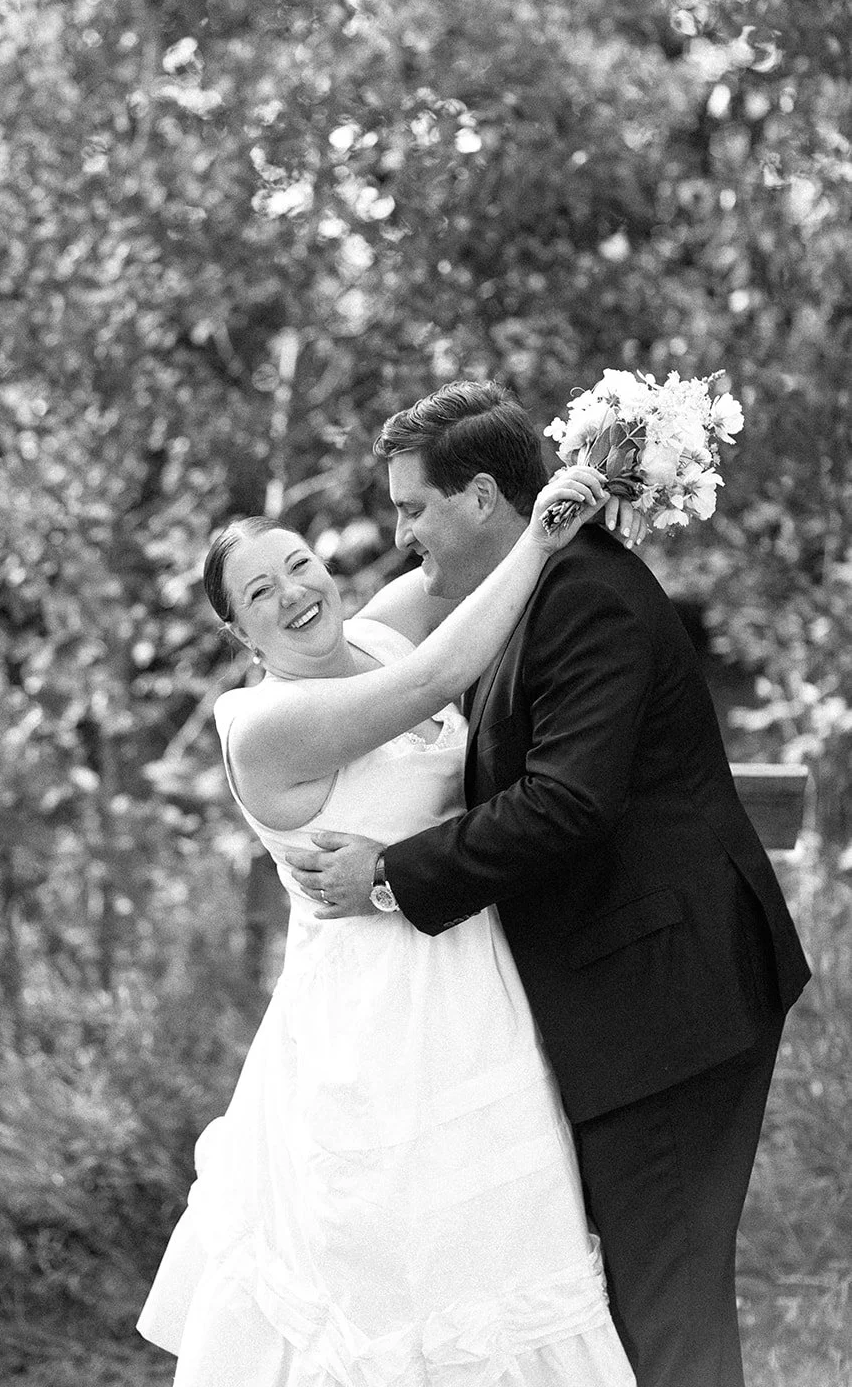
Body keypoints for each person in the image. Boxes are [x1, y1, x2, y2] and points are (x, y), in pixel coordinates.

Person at [287, 380, 811, 1387]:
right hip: (629, 991)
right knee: (631, 1301)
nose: (400, 535)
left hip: (671, 1000)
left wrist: (386, 874)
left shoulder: (586, 599)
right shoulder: (522, 591)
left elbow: (566, 803)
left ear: (481, 496)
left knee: (663, 1307)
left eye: (412, 507)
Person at [137, 464, 640, 1385]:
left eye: (297, 564)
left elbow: (466, 541)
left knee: (502, 1243)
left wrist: (604, 462)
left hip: (474, 986)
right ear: (236, 631)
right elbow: (443, 673)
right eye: (260, 591)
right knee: (383, 1269)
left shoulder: (373, 630)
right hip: (369, 1025)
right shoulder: (266, 727)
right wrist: (542, 533)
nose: (293, 593)